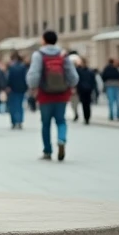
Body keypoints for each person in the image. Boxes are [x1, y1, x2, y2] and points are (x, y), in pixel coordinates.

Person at [27, 30, 79, 161]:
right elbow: (73, 76)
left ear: (44, 40)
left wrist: (33, 86)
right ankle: (61, 139)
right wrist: (70, 85)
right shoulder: (63, 54)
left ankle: (47, 151)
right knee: (61, 120)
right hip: (61, 94)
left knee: (45, 123)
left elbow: (34, 74)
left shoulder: (39, 55)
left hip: (45, 95)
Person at [6, 52, 29, 130]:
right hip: (21, 89)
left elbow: (8, 78)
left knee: (13, 106)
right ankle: (20, 121)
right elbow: (26, 78)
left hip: (12, 89)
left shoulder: (11, 68)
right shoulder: (23, 67)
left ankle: (14, 121)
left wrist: (7, 86)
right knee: (20, 105)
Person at [75, 57, 98, 126]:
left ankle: (86, 118)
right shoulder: (90, 71)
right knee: (87, 104)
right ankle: (87, 117)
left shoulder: (79, 71)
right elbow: (93, 81)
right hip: (88, 89)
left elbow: (77, 80)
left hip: (83, 89)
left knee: (84, 104)